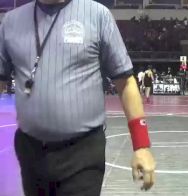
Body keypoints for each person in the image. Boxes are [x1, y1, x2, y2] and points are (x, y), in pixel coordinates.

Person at [0, 0, 156, 195]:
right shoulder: (11, 22)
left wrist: (141, 145)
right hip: (30, 152)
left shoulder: (97, 15)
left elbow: (125, 82)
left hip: (82, 153)